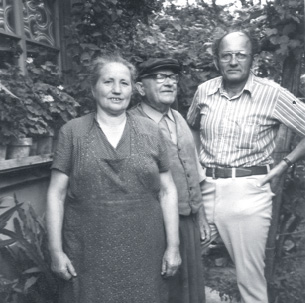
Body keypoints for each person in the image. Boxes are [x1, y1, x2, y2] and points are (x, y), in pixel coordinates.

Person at [46, 54, 181, 303]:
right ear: (94, 88)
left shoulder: (151, 131)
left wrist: (173, 247)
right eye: (108, 82)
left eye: (124, 83)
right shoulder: (72, 133)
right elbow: (57, 194)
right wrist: (55, 251)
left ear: (133, 89)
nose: (117, 90)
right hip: (87, 254)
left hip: (146, 251)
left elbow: (167, 190)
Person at [187, 29, 305, 303]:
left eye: (241, 55)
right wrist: (195, 166)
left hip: (247, 193)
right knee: (179, 260)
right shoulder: (204, 91)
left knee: (249, 281)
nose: (233, 61)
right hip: (203, 189)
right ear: (217, 60)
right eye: (226, 55)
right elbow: (191, 128)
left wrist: (284, 164)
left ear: (252, 59)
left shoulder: (271, 94)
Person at [130, 58, 211, 303]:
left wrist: (201, 215)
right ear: (141, 88)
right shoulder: (131, 124)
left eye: (172, 77)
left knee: (189, 288)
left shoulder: (179, 118)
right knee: (160, 289)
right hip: (152, 224)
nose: (168, 83)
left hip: (186, 221)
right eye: (159, 77)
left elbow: (193, 170)